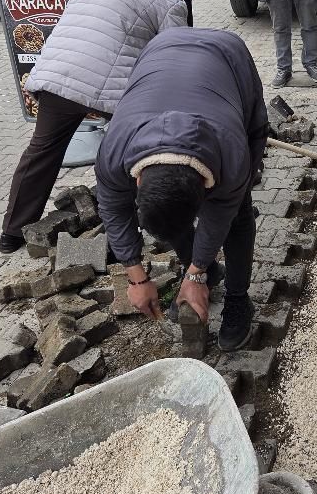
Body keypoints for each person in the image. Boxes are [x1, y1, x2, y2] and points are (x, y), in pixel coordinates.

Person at [94, 28, 268, 352]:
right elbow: (113, 210)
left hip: (227, 58)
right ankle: (205, 271)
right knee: (168, 215)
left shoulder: (231, 156)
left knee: (238, 212)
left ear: (206, 184)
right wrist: (136, 276)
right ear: (138, 180)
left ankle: (238, 300)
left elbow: (219, 217)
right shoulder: (114, 152)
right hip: (162, 48)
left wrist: (195, 273)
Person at [0, 0, 190, 253]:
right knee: (140, 147)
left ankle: (11, 234)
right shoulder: (167, 1)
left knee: (41, 151)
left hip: (57, 76)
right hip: (107, 89)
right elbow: (172, 55)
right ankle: (145, 220)